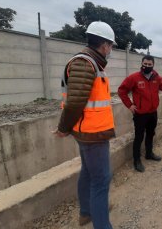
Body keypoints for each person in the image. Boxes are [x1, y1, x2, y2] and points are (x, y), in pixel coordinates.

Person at [53, 21, 116, 229]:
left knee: (89, 173)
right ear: (104, 45)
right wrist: (63, 128)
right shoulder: (85, 63)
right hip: (92, 134)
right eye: (111, 46)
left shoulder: (91, 63)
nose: (111, 50)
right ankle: (101, 223)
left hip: (88, 132)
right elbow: (74, 103)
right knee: (101, 181)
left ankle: (87, 213)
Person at [118, 55, 162, 172]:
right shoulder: (134, 77)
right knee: (139, 137)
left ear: (153, 65)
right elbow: (122, 90)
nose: (146, 66)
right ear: (142, 64)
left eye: (149, 65)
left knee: (151, 134)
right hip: (140, 114)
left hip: (153, 112)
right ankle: (137, 160)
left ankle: (149, 153)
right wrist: (130, 105)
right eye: (145, 64)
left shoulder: (157, 78)